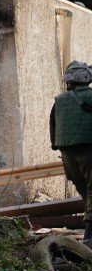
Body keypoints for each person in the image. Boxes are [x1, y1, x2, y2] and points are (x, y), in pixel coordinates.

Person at [50, 61, 92, 240]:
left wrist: (56, 145)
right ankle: (89, 235)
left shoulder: (59, 101)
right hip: (88, 150)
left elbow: (53, 125)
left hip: (67, 152)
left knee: (85, 190)